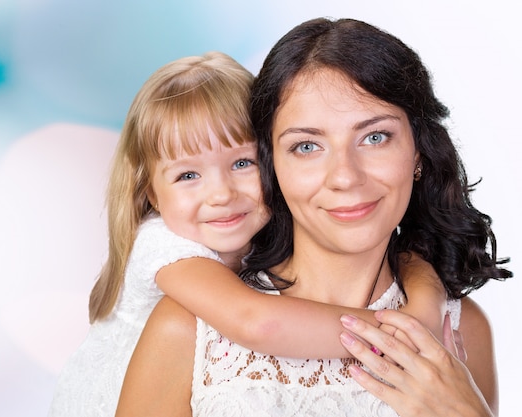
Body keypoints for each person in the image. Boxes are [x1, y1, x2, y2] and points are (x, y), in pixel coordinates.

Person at [116, 17, 511, 417]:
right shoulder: (190, 328)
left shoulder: (460, 328)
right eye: (306, 146)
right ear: (272, 165)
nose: (344, 176)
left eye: (375, 137)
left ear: (419, 154)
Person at [48, 51, 447, 417]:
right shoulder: (166, 246)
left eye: (242, 162)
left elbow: (403, 252)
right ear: (151, 192)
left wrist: (428, 298)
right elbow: (258, 323)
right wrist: (401, 331)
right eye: (188, 175)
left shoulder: (267, 229)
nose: (221, 194)